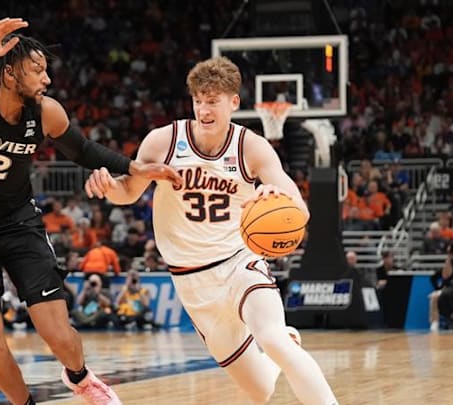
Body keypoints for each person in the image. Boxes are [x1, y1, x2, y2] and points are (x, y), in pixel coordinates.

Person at [0, 17, 181, 405]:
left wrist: (135, 168)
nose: (46, 78)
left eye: (46, 70)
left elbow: (83, 150)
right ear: (8, 71)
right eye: (37, 69)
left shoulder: (46, 112)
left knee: (58, 334)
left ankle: (80, 378)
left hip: (18, 224)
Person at [84, 56, 338, 405]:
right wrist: (106, 187)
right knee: (260, 390)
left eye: (212, 101)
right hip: (191, 281)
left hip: (240, 264)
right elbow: (128, 191)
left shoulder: (251, 147)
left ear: (233, 102)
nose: (203, 109)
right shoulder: (163, 141)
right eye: (198, 100)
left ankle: (288, 347)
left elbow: (300, 207)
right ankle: (286, 343)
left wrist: (275, 194)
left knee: (273, 339)